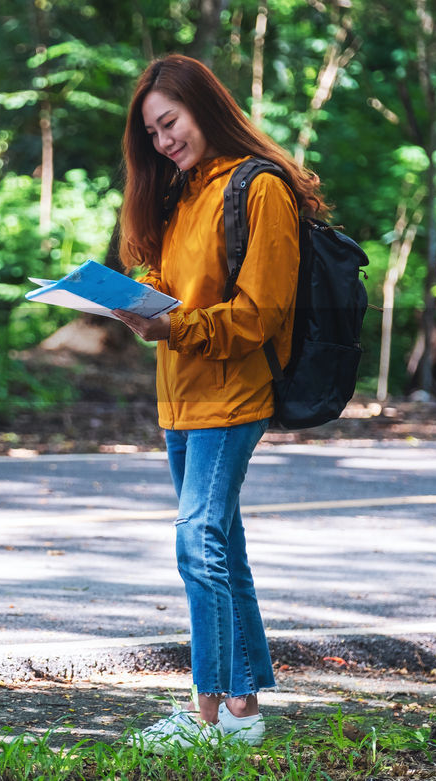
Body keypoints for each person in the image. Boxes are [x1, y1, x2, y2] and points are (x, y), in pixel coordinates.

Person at [112, 54, 326, 751]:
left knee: (196, 540)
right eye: (151, 132)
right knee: (221, 545)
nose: (162, 140)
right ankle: (242, 704)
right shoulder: (181, 189)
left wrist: (171, 324)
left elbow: (259, 314)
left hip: (235, 393)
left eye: (168, 122)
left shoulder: (260, 189)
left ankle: (211, 714)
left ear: (204, 108)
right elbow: (168, 278)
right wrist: (137, 291)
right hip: (180, 398)